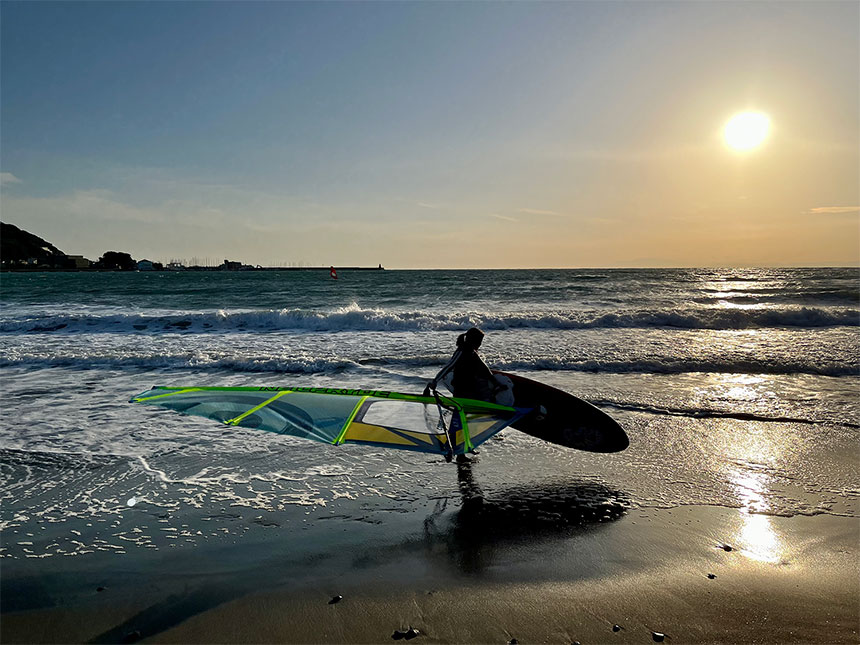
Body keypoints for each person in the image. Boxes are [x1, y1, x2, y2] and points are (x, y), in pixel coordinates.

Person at [427, 327, 497, 401]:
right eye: (479, 341)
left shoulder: (473, 353)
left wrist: (496, 383)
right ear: (472, 340)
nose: (480, 344)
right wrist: (435, 381)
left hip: (471, 387)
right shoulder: (461, 351)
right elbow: (449, 366)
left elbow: (484, 369)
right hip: (461, 389)